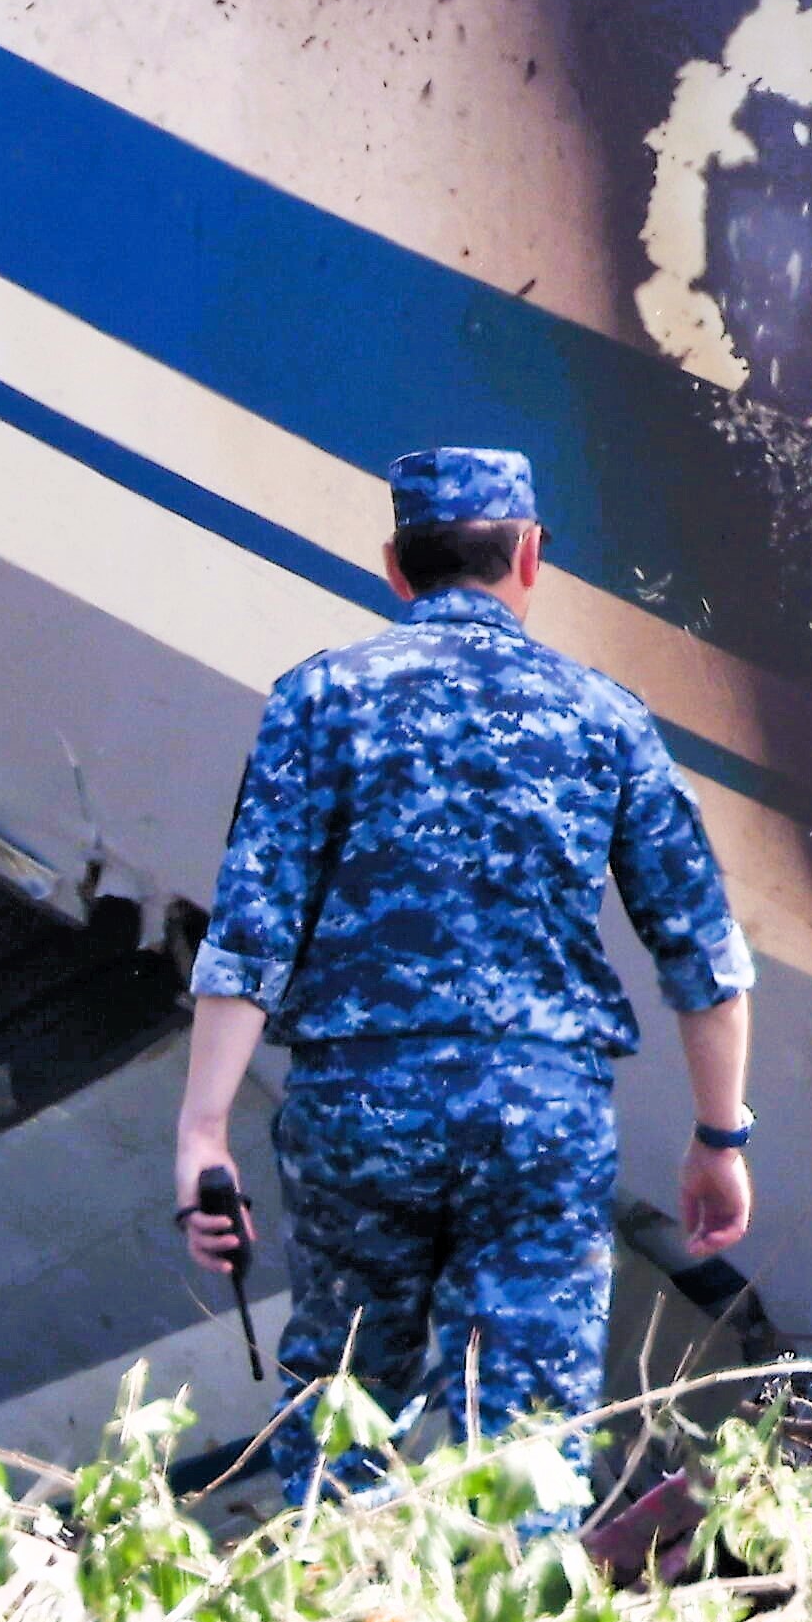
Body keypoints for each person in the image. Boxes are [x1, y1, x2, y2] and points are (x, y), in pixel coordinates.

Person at [176, 446, 757, 1502]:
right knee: (531, 1436)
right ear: (530, 555)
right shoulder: (604, 716)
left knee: (341, 1406)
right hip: (539, 1112)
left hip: (359, 1107)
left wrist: (202, 1133)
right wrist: (720, 1139)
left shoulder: (319, 700)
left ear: (397, 565)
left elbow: (251, 936)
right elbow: (703, 957)